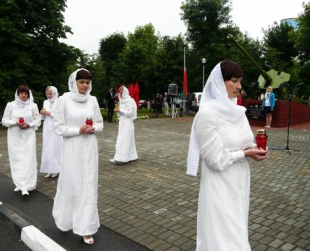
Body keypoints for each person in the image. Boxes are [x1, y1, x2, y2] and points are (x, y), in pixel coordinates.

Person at [187, 60, 269, 251]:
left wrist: (254, 149)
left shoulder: (237, 112)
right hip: (219, 184)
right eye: (235, 81)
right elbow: (215, 159)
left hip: (239, 181)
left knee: (237, 230)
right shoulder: (207, 114)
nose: (240, 86)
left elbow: (244, 141)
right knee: (223, 236)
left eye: (240, 81)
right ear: (218, 82)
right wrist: (245, 153)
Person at [52, 69, 104, 245]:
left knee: (88, 186)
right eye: (81, 82)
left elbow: (100, 123)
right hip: (72, 149)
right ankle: (65, 218)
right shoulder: (64, 100)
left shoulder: (93, 100)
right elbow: (58, 127)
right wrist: (77, 130)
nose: (85, 85)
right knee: (73, 185)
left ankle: (86, 227)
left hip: (89, 148)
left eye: (87, 82)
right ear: (74, 83)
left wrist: (93, 128)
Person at [1, 85, 41, 196]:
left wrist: (30, 124)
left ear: (28, 95)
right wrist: (15, 123)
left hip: (28, 135)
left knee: (28, 158)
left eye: (25, 93)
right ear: (18, 94)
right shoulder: (11, 105)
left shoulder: (33, 106)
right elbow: (4, 120)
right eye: (21, 93)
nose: (23, 95)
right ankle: (19, 183)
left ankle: (26, 185)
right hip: (15, 135)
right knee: (16, 158)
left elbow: (38, 120)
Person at [110, 86, 138, 164]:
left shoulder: (130, 101)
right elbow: (120, 115)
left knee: (124, 139)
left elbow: (129, 113)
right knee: (123, 138)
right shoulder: (121, 102)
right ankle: (131, 156)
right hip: (122, 122)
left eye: (122, 92)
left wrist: (121, 110)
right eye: (120, 92)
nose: (121, 94)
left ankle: (121, 158)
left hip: (128, 122)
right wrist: (118, 112)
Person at [40, 86, 62, 178]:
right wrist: (42, 113)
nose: (48, 96)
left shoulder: (59, 102)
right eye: (47, 94)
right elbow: (43, 116)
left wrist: (50, 114)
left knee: (55, 148)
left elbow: (60, 115)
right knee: (47, 148)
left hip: (55, 127)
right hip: (47, 127)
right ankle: (49, 169)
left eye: (50, 94)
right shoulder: (45, 102)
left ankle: (56, 168)